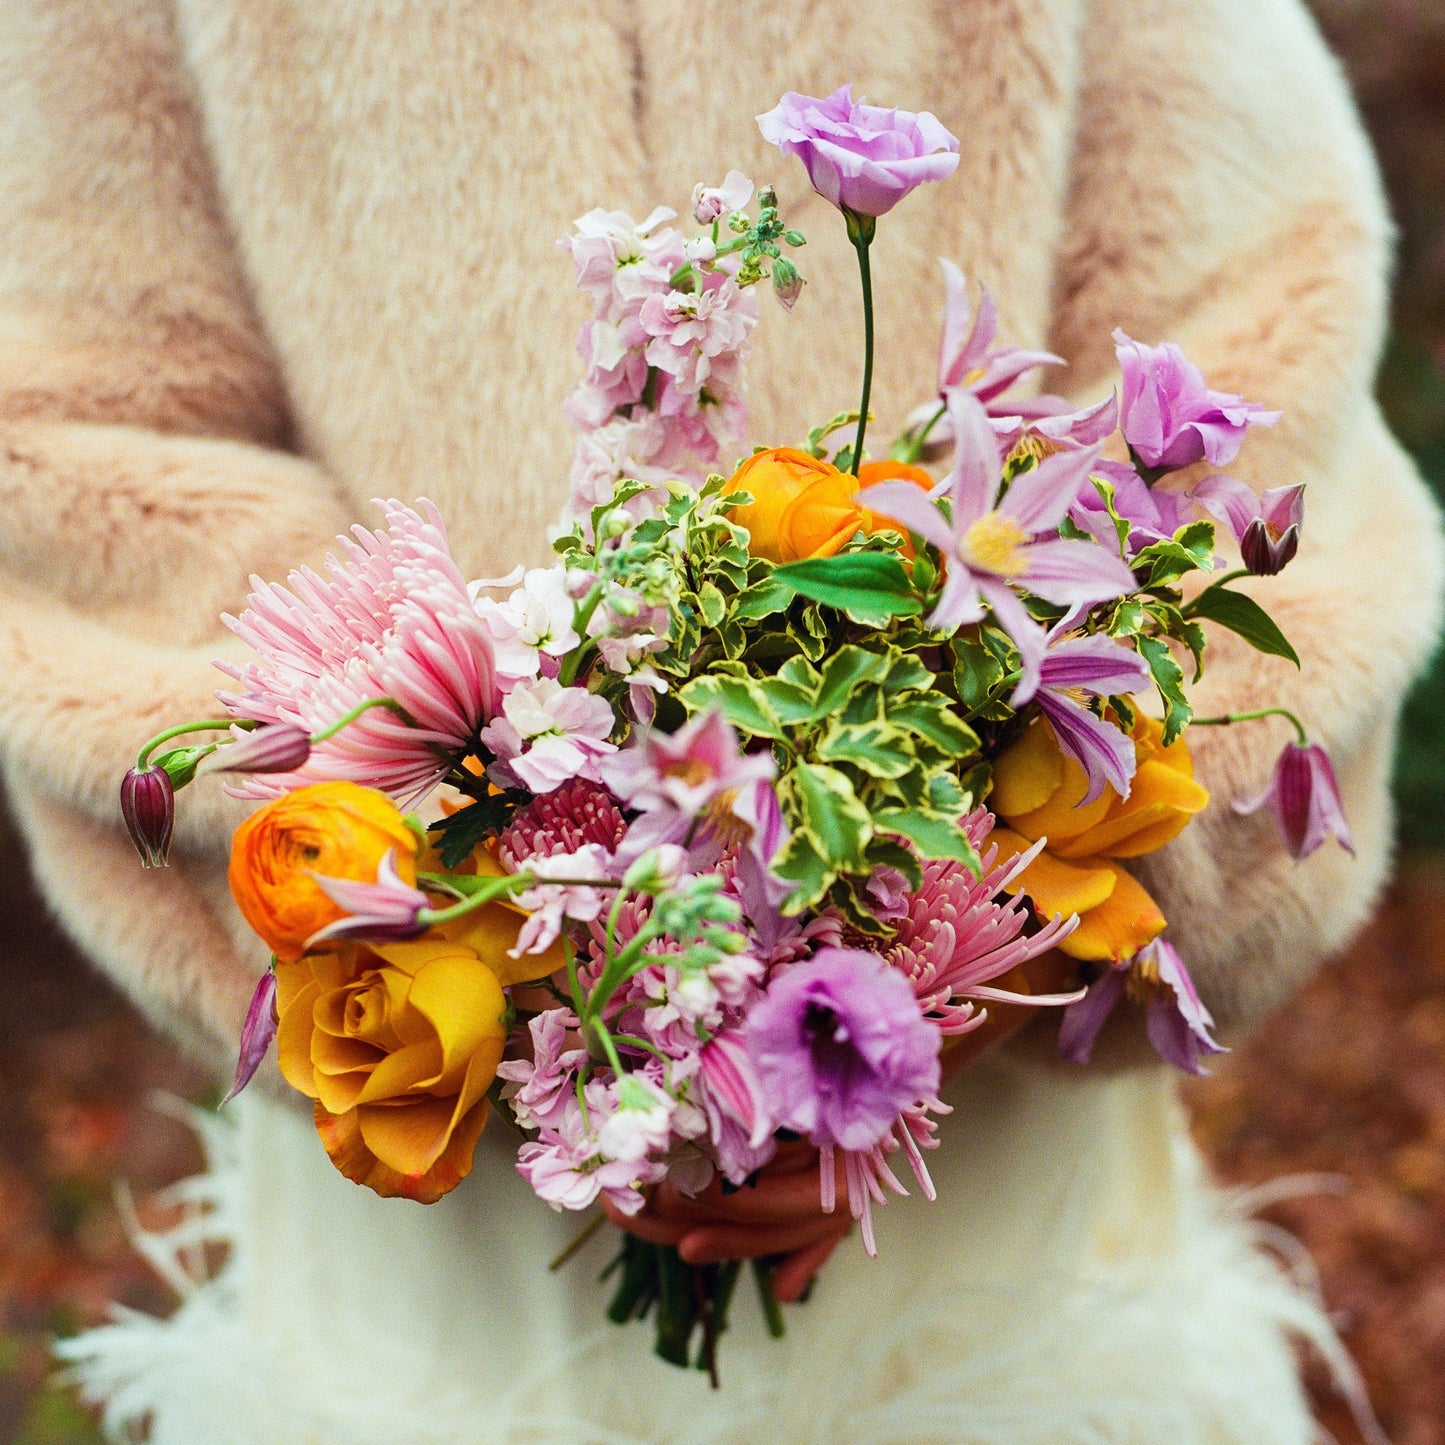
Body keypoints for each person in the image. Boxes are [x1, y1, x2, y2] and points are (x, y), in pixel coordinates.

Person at [1, 1, 1439, 1441]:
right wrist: (503, 924)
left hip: (986, 1220)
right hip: (449, 1244)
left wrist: (951, 966)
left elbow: (1259, 349)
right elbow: (68, 446)